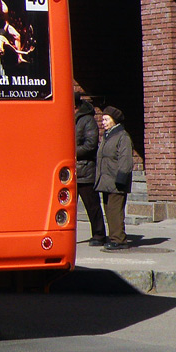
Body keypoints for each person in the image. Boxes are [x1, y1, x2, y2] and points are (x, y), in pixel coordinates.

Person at [95, 105, 134, 250]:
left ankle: (119, 239)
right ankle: (113, 237)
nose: (103, 122)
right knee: (109, 211)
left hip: (116, 181)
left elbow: (125, 159)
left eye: (106, 119)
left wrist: (121, 178)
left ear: (114, 120)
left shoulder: (122, 136)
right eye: (102, 119)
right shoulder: (108, 136)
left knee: (115, 211)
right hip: (106, 181)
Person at [74, 93, 105, 247]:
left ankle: (99, 234)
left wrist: (70, 151)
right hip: (70, 171)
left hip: (85, 170)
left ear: (75, 106)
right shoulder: (68, 119)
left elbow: (90, 145)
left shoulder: (87, 120)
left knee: (92, 205)